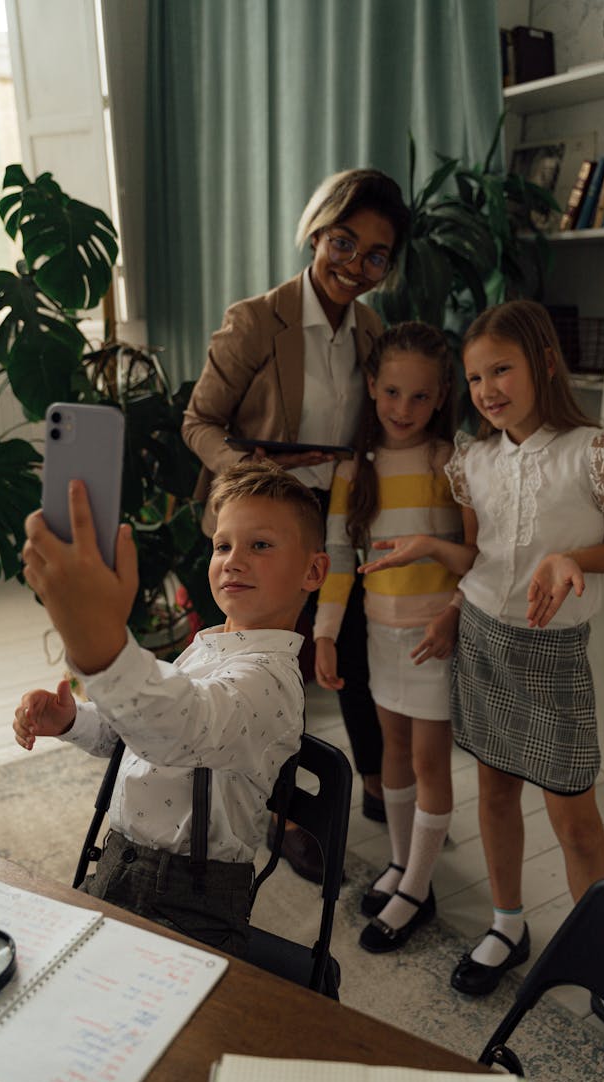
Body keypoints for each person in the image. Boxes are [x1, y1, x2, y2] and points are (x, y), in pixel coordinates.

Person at [361, 300, 604, 1082]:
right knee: (494, 794)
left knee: (575, 819)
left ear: (544, 362)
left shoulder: (595, 452)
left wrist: (574, 559)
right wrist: (442, 573)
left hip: (554, 652)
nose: (487, 388)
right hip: (486, 645)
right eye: (474, 377)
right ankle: (508, 925)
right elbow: (483, 557)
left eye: (501, 368)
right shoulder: (473, 463)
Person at [182, 168, 411, 882]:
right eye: (344, 240)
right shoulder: (258, 319)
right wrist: (254, 473)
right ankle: (278, 813)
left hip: (335, 526)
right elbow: (199, 421)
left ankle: (373, 785)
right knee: (268, 675)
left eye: (376, 254)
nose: (355, 265)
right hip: (259, 522)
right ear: (316, 231)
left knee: (351, 656)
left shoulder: (372, 331)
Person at [12, 461, 329, 957]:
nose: (234, 560)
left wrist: (98, 639)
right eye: (223, 545)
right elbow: (135, 735)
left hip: (189, 897)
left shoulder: (269, 683)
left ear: (313, 571)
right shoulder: (206, 648)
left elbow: (180, 728)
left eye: (260, 545)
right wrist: (74, 721)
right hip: (117, 859)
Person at [313, 322, 475, 953]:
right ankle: (407, 868)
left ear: (440, 398)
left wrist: (454, 614)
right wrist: (326, 634)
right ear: (372, 389)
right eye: (391, 393)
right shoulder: (357, 469)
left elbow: (477, 554)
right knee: (392, 757)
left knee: (431, 764)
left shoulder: (451, 462)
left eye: (419, 397)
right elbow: (338, 555)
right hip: (380, 635)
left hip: (434, 638)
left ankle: (416, 887)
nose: (402, 410)